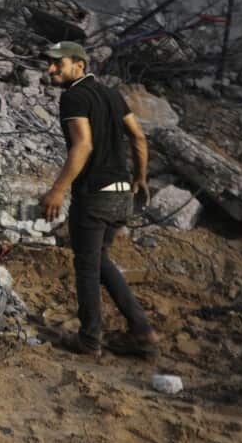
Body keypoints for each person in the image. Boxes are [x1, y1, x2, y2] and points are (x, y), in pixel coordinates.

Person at [39, 41, 160, 359]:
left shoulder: (73, 97)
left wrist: (57, 190)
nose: (51, 69)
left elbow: (83, 145)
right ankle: (142, 330)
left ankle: (89, 340)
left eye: (58, 63)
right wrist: (140, 178)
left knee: (87, 267)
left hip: (94, 196)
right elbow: (138, 137)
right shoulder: (111, 95)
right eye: (50, 63)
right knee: (98, 259)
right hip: (121, 195)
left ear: (79, 65)